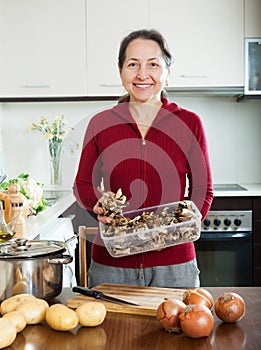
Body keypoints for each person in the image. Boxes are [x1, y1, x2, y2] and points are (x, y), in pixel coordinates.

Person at [73, 29, 213, 288]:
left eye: (153, 64)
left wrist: (180, 229)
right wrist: (98, 202)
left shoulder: (190, 123)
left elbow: (203, 190)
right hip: (112, 264)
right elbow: (82, 185)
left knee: (179, 329)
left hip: (175, 265)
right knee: (109, 330)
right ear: (120, 71)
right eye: (133, 64)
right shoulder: (100, 123)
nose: (142, 74)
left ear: (167, 73)